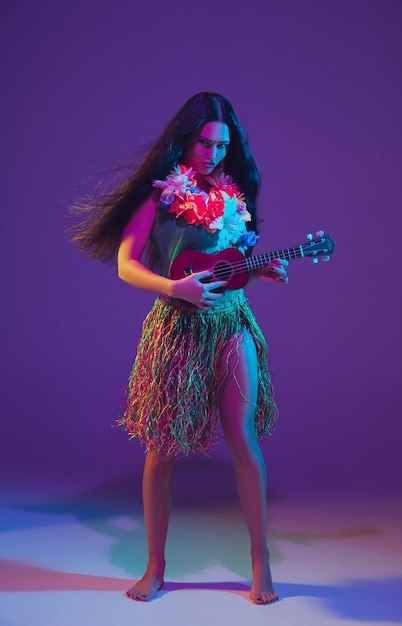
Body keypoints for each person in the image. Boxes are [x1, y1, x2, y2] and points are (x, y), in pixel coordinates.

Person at [70, 92, 288, 605]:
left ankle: (261, 562)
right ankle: (155, 566)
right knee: (161, 451)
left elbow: (225, 271)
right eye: (205, 142)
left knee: (242, 439)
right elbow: (127, 263)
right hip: (177, 329)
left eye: (222, 146)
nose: (213, 153)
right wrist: (174, 289)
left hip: (232, 325)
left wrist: (258, 271)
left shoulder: (233, 198)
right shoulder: (160, 196)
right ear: (185, 139)